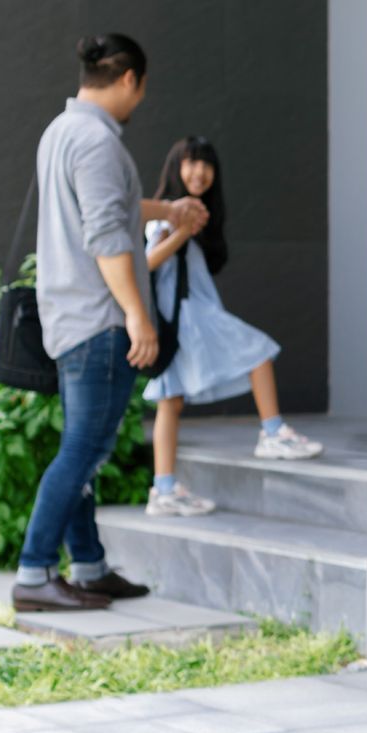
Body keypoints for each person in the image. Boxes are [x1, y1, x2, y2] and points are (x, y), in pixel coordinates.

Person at [15, 35, 208, 612]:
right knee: (83, 450)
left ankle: (90, 567)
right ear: (130, 79)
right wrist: (136, 314)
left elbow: (108, 207)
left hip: (68, 316)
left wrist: (167, 211)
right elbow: (105, 238)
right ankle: (33, 574)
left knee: (84, 449)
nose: (140, 98)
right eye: (142, 88)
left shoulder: (61, 132)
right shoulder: (98, 142)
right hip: (99, 321)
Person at [143, 135, 322, 516]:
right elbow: (148, 262)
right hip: (186, 317)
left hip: (186, 317)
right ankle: (273, 433)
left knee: (170, 401)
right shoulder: (165, 216)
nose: (200, 172)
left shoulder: (200, 218)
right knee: (257, 351)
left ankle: (164, 489)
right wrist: (181, 231)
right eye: (192, 163)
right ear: (176, 167)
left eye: (207, 165)